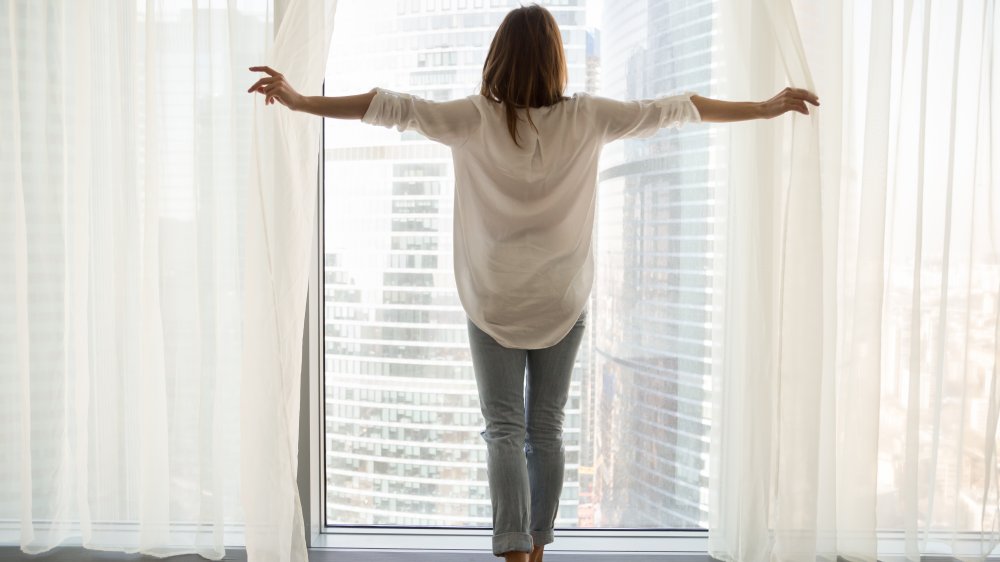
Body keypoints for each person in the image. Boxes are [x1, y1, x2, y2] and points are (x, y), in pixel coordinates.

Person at [248, 4, 818, 561]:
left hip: (493, 298)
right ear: (556, 61)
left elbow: (390, 106)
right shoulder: (589, 117)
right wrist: (764, 108)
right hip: (562, 300)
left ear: (498, 58)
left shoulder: (473, 118)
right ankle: (538, 547)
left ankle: (514, 552)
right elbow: (677, 108)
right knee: (545, 428)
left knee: (503, 429)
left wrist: (300, 101)